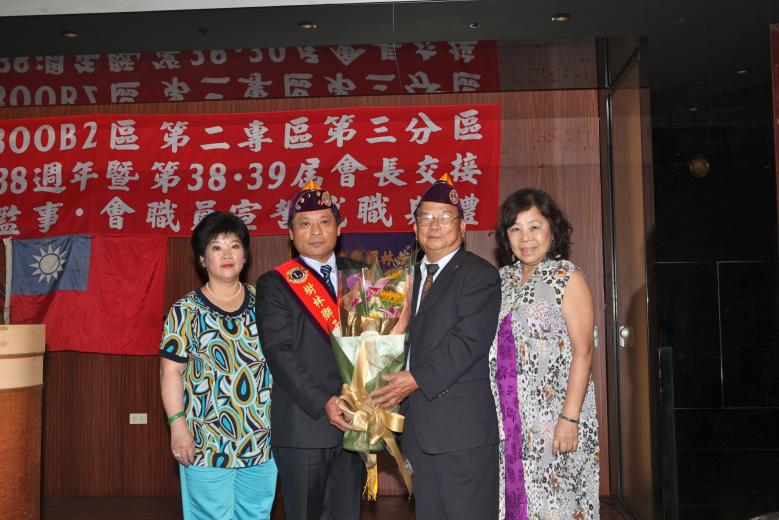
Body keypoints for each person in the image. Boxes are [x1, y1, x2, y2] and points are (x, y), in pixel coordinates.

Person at [371, 173, 501, 520]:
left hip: (462, 433)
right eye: (426, 217)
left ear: (463, 227)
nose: (434, 225)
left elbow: (468, 341)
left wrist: (415, 379)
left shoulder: (480, 275)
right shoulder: (401, 281)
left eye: (445, 217)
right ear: (415, 229)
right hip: (416, 431)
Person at [255, 180, 363, 520]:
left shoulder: (361, 277)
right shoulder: (275, 283)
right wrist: (324, 401)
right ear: (291, 233)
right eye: (305, 224)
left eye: (325, 221)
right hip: (304, 426)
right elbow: (279, 353)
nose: (316, 231)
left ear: (339, 228)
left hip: (356, 424)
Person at [490, 188, 600, 519]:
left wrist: (569, 418)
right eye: (516, 229)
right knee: (515, 501)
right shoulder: (502, 280)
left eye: (534, 226)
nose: (525, 238)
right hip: (508, 419)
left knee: (555, 504)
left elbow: (584, 352)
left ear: (552, 229)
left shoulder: (567, 277)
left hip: (552, 419)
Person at [159, 211, 276, 520]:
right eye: (216, 247)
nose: (227, 254)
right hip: (205, 441)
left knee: (256, 515)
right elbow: (170, 372)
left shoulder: (265, 303)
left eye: (234, 246)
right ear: (202, 259)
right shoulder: (185, 311)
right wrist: (177, 427)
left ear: (245, 255)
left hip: (261, 440)